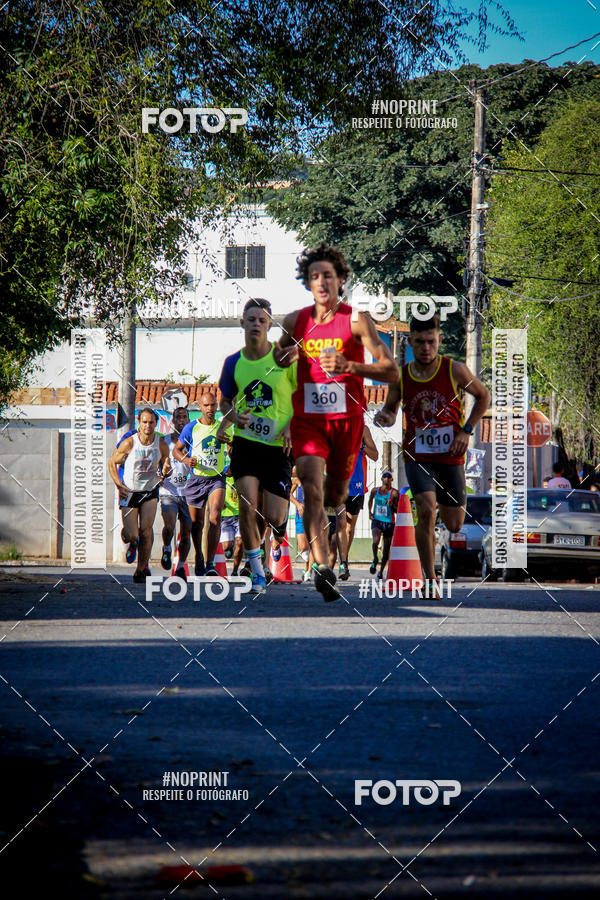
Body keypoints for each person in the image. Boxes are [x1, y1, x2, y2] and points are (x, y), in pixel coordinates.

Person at [274, 242, 399, 602]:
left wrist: (350, 367)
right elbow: (280, 357)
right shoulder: (296, 321)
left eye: (329, 275)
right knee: (311, 487)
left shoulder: (356, 321)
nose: (322, 283)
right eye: (315, 276)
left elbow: (389, 368)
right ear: (308, 283)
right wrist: (290, 354)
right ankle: (322, 566)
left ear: (341, 279)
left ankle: (326, 558)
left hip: (346, 421)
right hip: (308, 419)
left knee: (335, 497)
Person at [375, 313, 490, 583]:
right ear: (410, 344)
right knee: (426, 511)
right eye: (419, 342)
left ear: (438, 340)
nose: (426, 348)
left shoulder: (455, 370)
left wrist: (467, 430)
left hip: (450, 455)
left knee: (454, 524)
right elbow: (391, 411)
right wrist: (385, 416)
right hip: (417, 455)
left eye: (430, 341)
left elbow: (483, 397)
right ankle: (429, 578)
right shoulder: (400, 377)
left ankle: (436, 534)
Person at [218, 298, 296, 593]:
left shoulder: (284, 359)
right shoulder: (232, 363)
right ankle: (257, 571)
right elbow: (225, 399)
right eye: (251, 319)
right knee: (247, 504)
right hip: (246, 444)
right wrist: (231, 415)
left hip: (277, 447)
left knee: (273, 516)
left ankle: (267, 538)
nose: (256, 325)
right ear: (242, 323)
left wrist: (291, 425)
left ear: (269, 325)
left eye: (262, 320)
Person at [108, 407, 170, 583]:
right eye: (144, 422)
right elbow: (112, 462)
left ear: (156, 424)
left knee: (146, 530)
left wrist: (166, 470)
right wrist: (118, 484)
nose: (148, 426)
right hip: (130, 490)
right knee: (133, 534)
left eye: (151, 422)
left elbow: (167, 466)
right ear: (139, 422)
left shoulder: (161, 444)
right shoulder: (130, 443)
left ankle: (141, 569)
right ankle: (129, 538)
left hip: (150, 491)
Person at [173, 392, 231, 577]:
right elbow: (176, 450)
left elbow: (233, 448)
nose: (210, 409)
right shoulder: (191, 428)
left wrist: (232, 465)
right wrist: (185, 459)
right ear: (200, 407)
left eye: (213, 405)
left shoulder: (224, 427)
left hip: (217, 478)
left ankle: (210, 563)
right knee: (196, 525)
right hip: (197, 480)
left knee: (215, 516)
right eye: (206, 406)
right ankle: (198, 555)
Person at [159, 406, 192, 578]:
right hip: (169, 491)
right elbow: (156, 465)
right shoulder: (164, 441)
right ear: (173, 420)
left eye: (184, 417)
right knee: (170, 526)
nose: (181, 420)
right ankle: (166, 547)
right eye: (178, 417)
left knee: (186, 533)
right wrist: (161, 472)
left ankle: (180, 566)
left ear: (188, 420)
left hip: (189, 494)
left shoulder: (195, 441)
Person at [342, 424, 379, 577]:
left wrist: (362, 446)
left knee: (349, 528)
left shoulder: (363, 430)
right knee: (337, 524)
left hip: (356, 486)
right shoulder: (334, 425)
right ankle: (340, 562)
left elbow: (375, 455)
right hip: (337, 483)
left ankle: (344, 559)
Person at [368, 470, 399, 579]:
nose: (386, 478)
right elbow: (370, 500)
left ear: (392, 479)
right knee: (375, 541)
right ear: (381, 479)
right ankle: (375, 559)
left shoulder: (395, 493)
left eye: (388, 476)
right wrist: (370, 513)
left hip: (389, 522)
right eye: (384, 476)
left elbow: (398, 509)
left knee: (386, 550)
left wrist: (392, 505)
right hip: (377, 520)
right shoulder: (374, 490)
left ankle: (381, 571)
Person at [220, 466, 244, 576]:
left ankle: (234, 571)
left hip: (240, 514)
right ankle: (229, 547)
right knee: (226, 547)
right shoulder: (224, 475)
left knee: (240, 542)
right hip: (226, 515)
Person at [290, 468, 312, 582]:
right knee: (303, 547)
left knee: (312, 543)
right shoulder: (298, 478)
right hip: (300, 515)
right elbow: (288, 493)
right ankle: (307, 565)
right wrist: (298, 504)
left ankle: (309, 571)